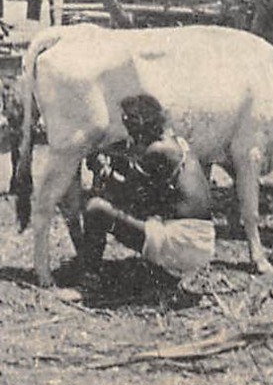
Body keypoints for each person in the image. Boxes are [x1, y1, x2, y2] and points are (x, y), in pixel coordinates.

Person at [77, 94, 215, 280]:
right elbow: (147, 184)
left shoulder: (158, 150)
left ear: (140, 122)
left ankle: (88, 281)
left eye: (130, 126)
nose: (130, 134)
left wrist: (105, 172)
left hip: (184, 243)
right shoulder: (177, 143)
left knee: (96, 209)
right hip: (201, 241)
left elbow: (131, 196)